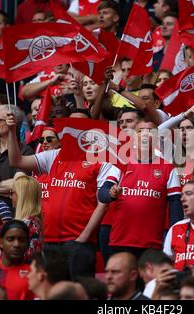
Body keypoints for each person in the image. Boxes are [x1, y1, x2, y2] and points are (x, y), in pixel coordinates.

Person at [7, 111, 116, 280]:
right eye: (71, 123)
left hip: (79, 242)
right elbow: (16, 161)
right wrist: (11, 131)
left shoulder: (102, 160)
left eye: (80, 124)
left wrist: (83, 238)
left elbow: (103, 202)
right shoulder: (54, 155)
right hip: (49, 241)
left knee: (79, 293)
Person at [98, 119, 183, 259]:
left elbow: (175, 207)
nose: (144, 135)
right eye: (140, 131)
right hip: (119, 241)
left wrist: (175, 239)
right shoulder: (121, 163)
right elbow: (102, 194)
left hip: (152, 245)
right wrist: (111, 193)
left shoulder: (168, 168)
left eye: (149, 131)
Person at [0, 220, 35, 300]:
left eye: (21, 240)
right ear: (0, 242)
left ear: (28, 244)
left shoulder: (35, 272)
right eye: (10, 239)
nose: (16, 244)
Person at [10, 176, 43, 262]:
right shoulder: (31, 221)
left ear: (22, 196)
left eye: (12, 192)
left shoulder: (30, 223)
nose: (10, 197)